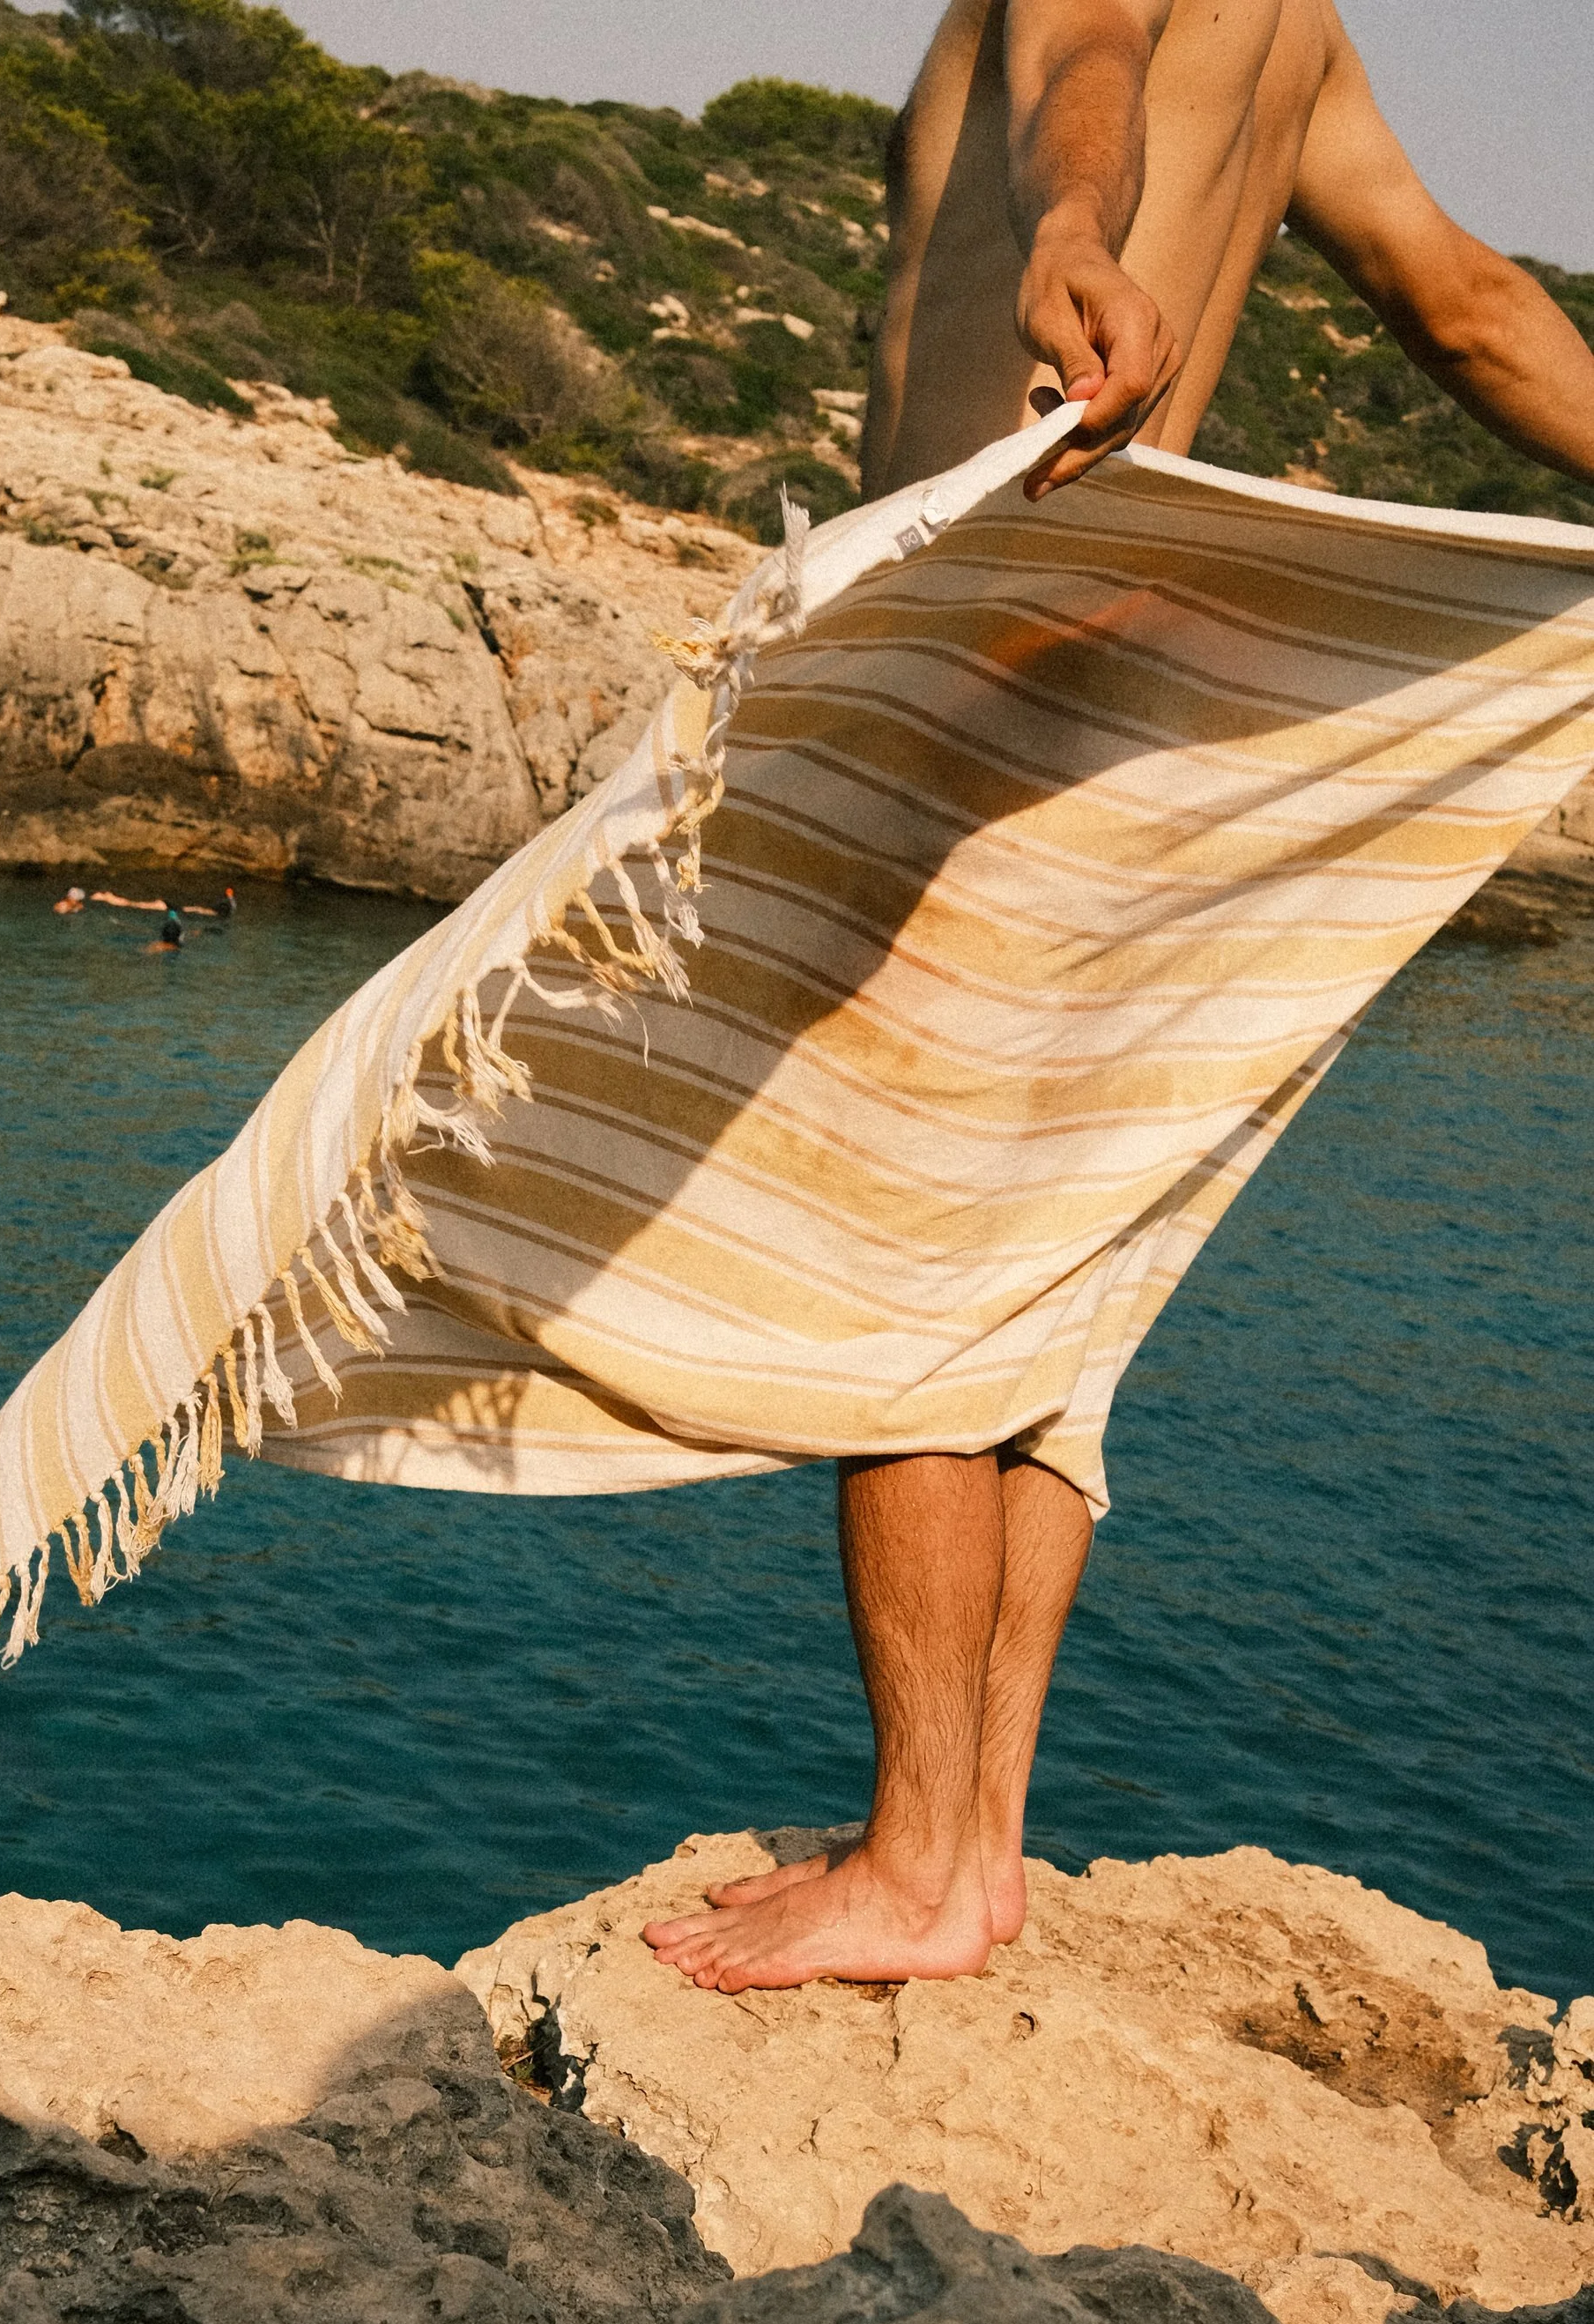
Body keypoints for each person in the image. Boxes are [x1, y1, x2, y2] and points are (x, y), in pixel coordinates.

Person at [643, 0, 1594, 1995]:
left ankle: (908, 1863)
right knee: (1047, 1287)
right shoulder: (1299, 35)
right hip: (1128, 689)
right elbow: (1471, 307)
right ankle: (976, 1843)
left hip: (967, 646)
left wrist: (1074, 222)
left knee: (902, 1264)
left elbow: (1073, 96)